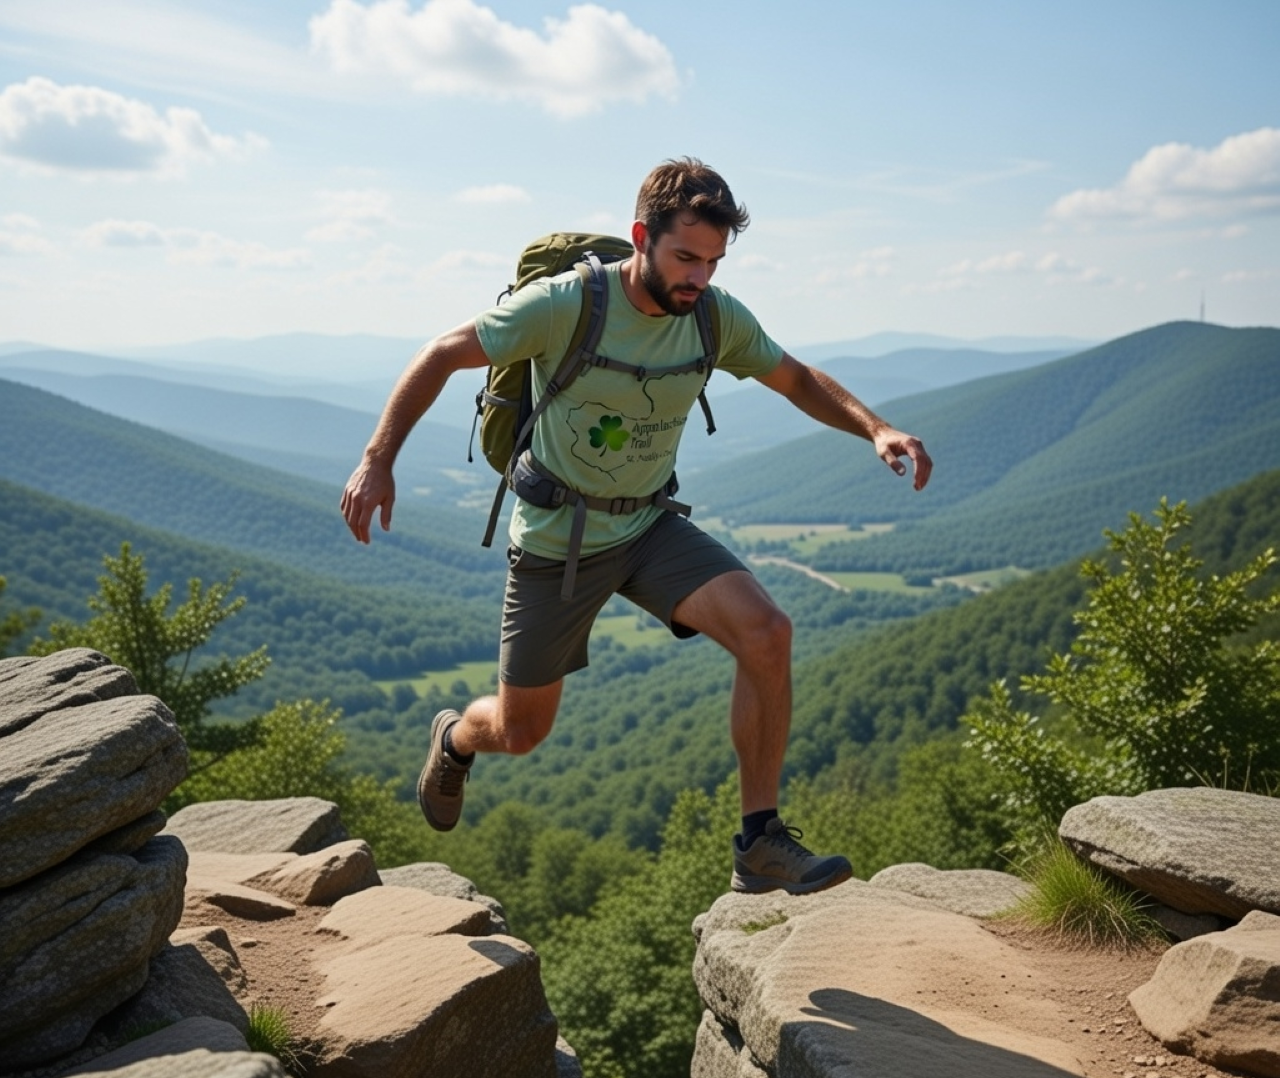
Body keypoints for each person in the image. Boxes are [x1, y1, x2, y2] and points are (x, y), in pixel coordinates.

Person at [341, 157, 932, 896]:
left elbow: (795, 377)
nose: (699, 278)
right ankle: (457, 737)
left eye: (713, 262)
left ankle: (760, 841)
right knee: (521, 733)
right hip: (559, 540)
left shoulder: (715, 316)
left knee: (768, 632)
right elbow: (441, 353)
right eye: (686, 257)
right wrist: (377, 460)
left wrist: (876, 429)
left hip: (649, 526)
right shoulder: (566, 306)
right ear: (640, 239)